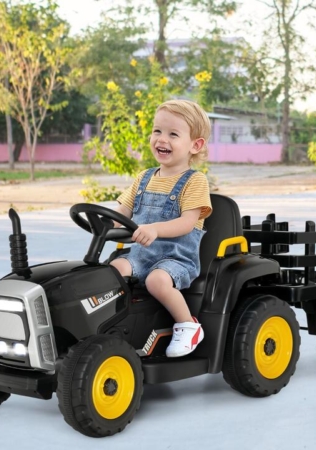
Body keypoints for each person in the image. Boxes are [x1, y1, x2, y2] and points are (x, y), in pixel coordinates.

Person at [110, 99, 212, 357]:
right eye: (157, 131)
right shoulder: (143, 178)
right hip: (142, 255)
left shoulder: (195, 181)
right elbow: (122, 211)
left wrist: (154, 228)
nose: (161, 139)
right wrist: (107, 221)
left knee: (157, 280)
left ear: (195, 145)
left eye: (173, 134)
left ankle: (188, 325)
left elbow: (187, 223)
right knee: (113, 271)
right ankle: (117, 324)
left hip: (176, 258)